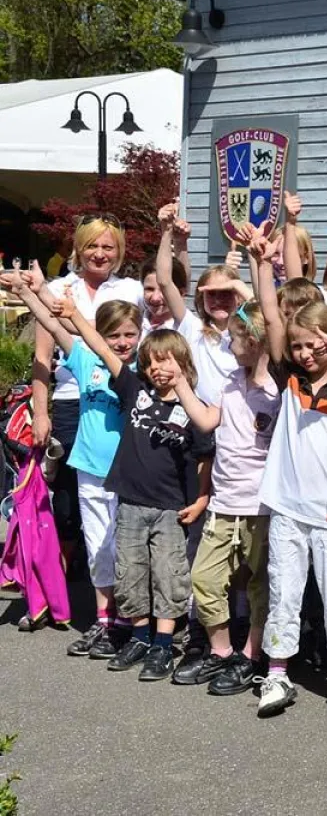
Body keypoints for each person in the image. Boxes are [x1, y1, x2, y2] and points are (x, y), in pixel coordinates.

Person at [53, 295, 213, 682]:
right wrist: (74, 316)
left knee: (168, 574)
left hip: (170, 509)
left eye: (167, 360)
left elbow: (204, 457)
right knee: (131, 573)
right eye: (152, 361)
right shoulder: (134, 391)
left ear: (184, 364)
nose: (159, 368)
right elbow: (101, 348)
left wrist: (202, 499)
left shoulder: (194, 408)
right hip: (130, 504)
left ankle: (163, 643)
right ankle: (139, 637)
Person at [251, 233, 327, 718]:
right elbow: (270, 315)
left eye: (315, 345)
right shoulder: (290, 379)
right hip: (287, 506)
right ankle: (277, 673)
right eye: (299, 346)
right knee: (284, 589)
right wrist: (264, 265)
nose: (305, 353)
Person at [1, 271, 139, 659]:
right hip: (90, 470)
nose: (122, 342)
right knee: (97, 547)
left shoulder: (139, 370)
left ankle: (130, 622)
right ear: (99, 336)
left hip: (127, 475)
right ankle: (104, 619)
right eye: (114, 335)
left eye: (130, 334)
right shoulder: (84, 360)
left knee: (125, 548)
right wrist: (27, 293)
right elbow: (51, 324)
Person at [165, 299, 280, 695]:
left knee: (260, 584)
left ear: (255, 340)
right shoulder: (230, 382)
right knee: (204, 577)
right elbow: (205, 420)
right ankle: (221, 650)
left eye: (234, 337)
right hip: (224, 503)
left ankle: (252, 655)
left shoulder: (277, 390)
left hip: (261, 505)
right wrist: (180, 382)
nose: (229, 344)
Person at [33, 215, 143, 558]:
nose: (99, 253)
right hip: (71, 398)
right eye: (92, 245)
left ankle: (115, 566)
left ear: (119, 251)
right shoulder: (59, 289)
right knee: (67, 498)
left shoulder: (131, 290)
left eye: (108, 247)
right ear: (79, 248)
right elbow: (42, 355)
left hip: (116, 396)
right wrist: (41, 413)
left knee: (116, 493)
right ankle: (67, 577)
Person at [156, 203, 250, 405]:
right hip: (201, 417)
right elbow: (164, 281)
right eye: (211, 294)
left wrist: (238, 285)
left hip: (240, 418)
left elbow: (267, 317)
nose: (218, 300)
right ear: (201, 299)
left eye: (226, 293)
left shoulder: (249, 332)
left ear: (238, 296)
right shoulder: (193, 328)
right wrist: (166, 233)